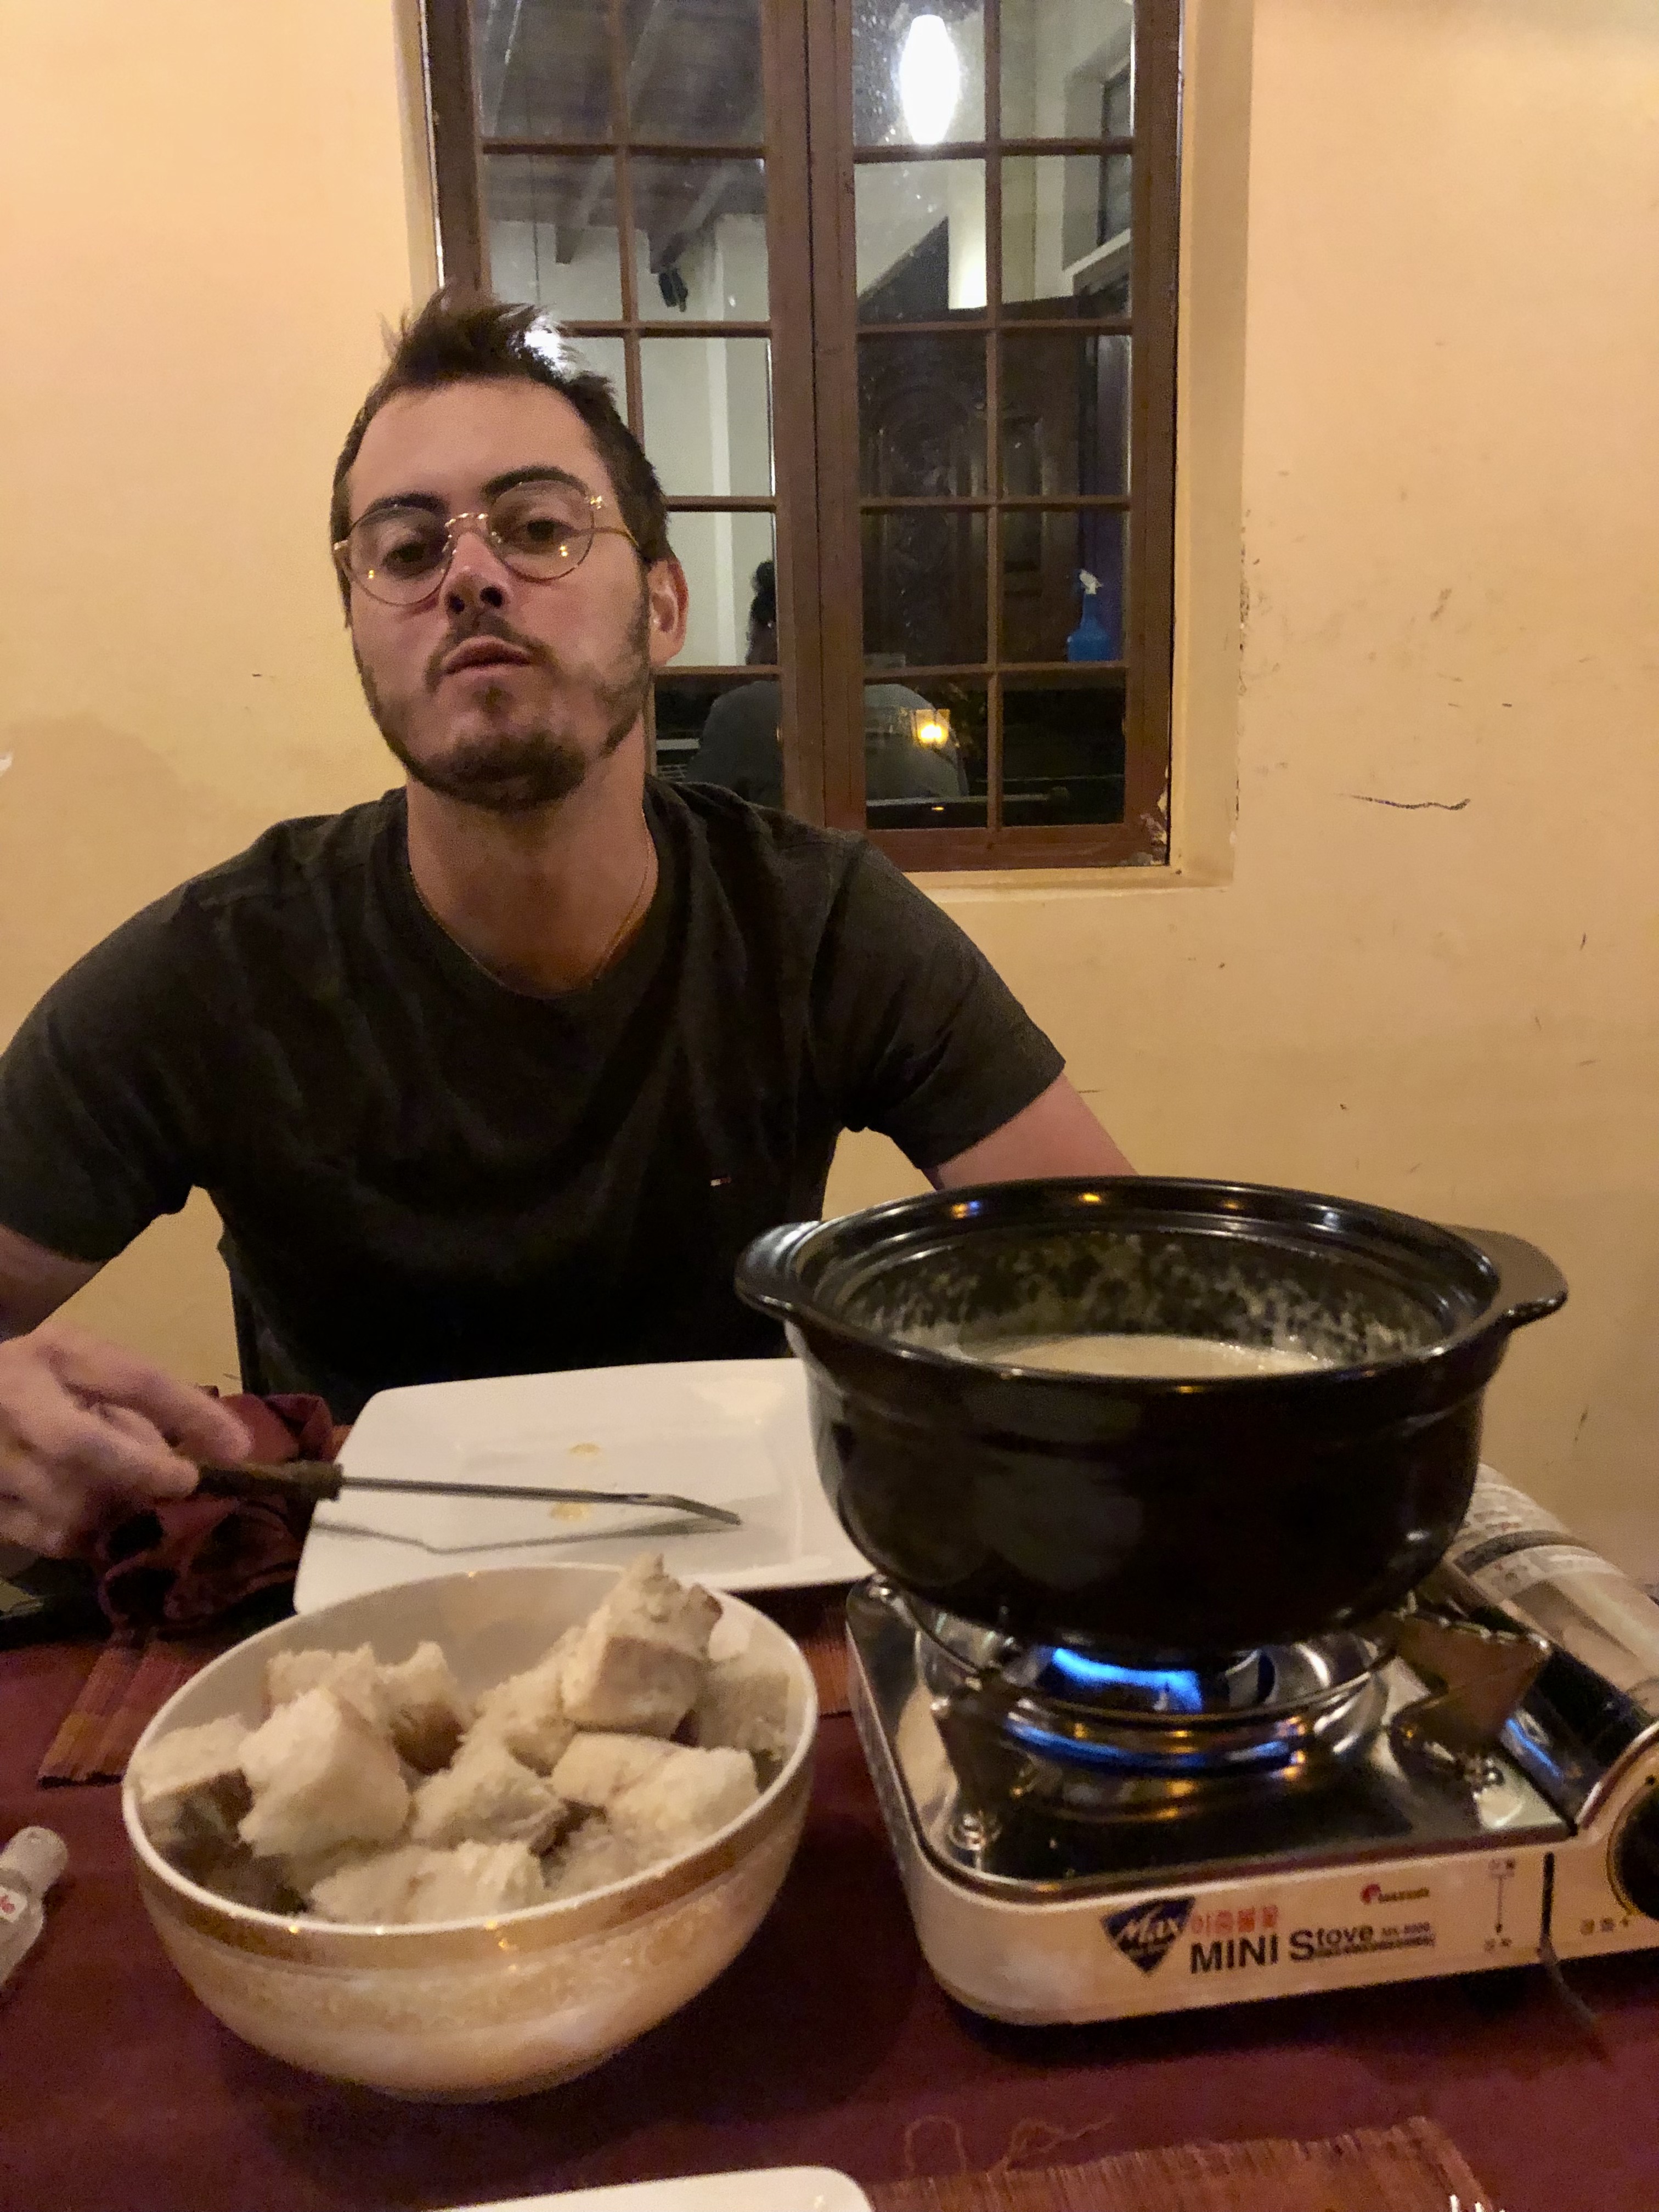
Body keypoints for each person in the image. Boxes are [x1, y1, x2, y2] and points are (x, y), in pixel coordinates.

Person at [0, 291, 1131, 1559]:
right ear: (360, 633)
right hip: (368, 1623)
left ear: (664, 606)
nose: (471, 576)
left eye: (539, 528)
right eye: (407, 551)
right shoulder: (221, 967)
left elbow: (1118, 1284)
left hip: (739, 1594)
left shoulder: (818, 923)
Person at [689, 561, 968, 809]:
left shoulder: (743, 711)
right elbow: (960, 806)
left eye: (752, 640)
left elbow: (694, 816)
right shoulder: (920, 707)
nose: (749, 656)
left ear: (773, 632)